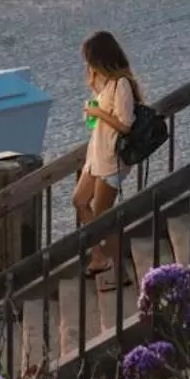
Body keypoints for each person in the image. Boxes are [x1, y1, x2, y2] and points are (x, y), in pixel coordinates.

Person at [73, 30, 141, 289]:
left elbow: (125, 124)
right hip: (97, 154)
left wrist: (98, 112)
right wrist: (94, 96)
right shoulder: (106, 82)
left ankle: (120, 271)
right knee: (79, 201)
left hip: (112, 158)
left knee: (102, 217)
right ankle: (99, 257)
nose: (88, 65)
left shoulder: (122, 84)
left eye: (90, 60)